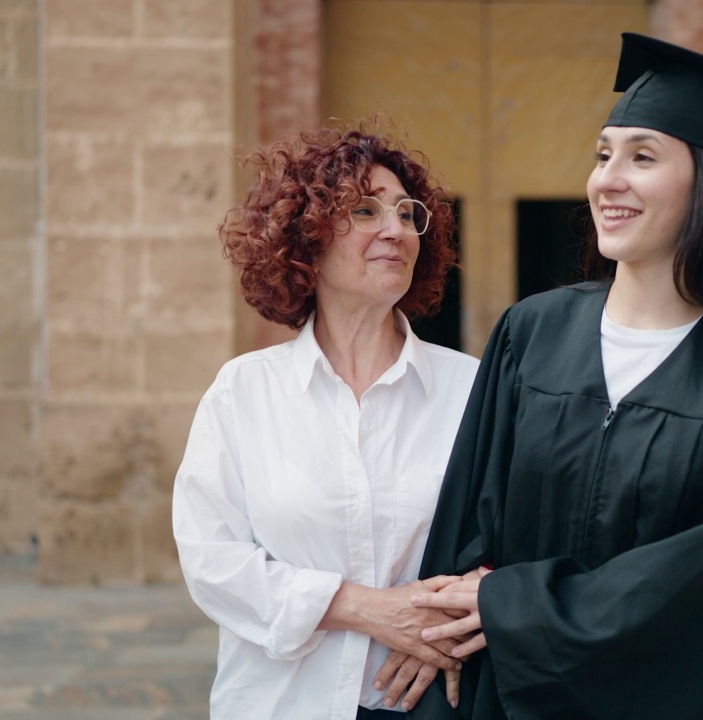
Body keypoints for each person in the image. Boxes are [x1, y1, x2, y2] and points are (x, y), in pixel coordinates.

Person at [406, 33, 703, 719]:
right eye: (603, 155)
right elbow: (468, 521)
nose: (607, 180)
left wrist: (508, 604)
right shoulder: (529, 335)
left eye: (642, 157)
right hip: (504, 693)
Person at [172, 126, 479, 719]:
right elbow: (213, 561)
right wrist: (367, 609)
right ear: (305, 238)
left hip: (432, 703)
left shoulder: (471, 388)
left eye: (406, 213)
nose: (395, 229)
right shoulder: (243, 392)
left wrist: (446, 623)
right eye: (365, 210)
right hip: (284, 702)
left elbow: (520, 541)